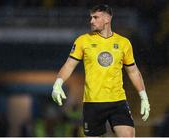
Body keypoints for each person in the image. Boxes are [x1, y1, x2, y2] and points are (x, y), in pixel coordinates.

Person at [51, 4, 150, 137]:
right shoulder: (83, 41)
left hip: (118, 101)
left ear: (107, 19)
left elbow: (133, 71)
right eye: (91, 17)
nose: (91, 21)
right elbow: (69, 65)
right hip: (93, 103)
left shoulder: (123, 43)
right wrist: (58, 83)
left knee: (128, 135)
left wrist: (143, 97)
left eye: (95, 17)